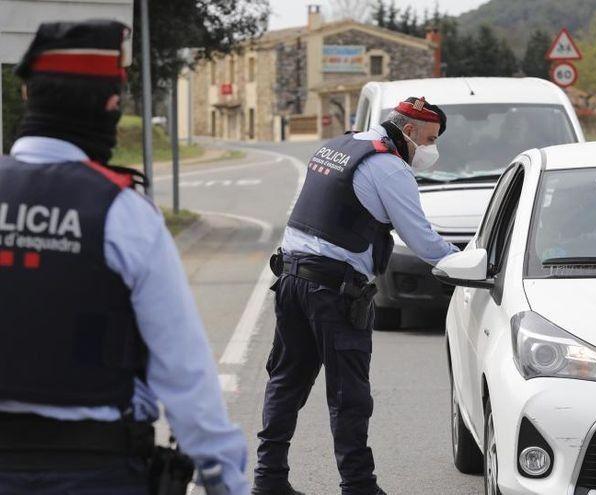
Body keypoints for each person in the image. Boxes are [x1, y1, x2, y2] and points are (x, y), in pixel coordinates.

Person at [0, 20, 248, 494]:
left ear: (30, 96)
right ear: (111, 106)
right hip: (92, 472)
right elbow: (183, 371)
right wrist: (223, 479)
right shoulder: (121, 211)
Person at [254, 97, 459, 495]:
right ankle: (358, 486)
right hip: (332, 292)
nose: (432, 149)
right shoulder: (389, 167)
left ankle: (268, 480)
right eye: (431, 139)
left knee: (286, 381)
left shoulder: (339, 146)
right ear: (410, 131)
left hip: (291, 278)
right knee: (349, 394)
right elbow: (424, 242)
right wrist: (470, 264)